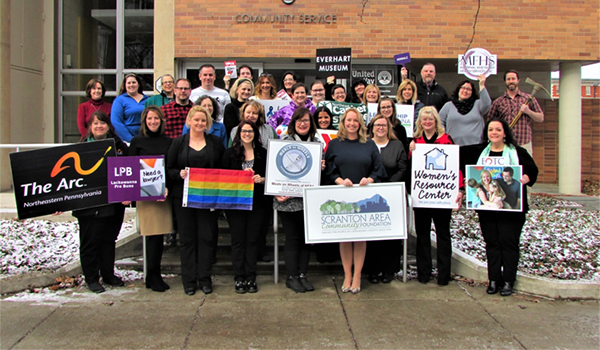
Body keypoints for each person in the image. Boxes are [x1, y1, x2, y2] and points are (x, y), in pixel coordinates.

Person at [461, 118, 538, 296]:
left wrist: (526, 178)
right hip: (488, 209)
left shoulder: (517, 153)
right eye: (490, 130)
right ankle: (494, 279)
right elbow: (467, 169)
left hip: (511, 208)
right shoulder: (480, 153)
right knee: (492, 243)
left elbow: (532, 171)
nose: (494, 133)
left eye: (498, 129)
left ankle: (508, 281)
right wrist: (468, 181)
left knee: (509, 243)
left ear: (505, 132)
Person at [325, 108, 386, 294]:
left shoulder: (369, 144)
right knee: (345, 237)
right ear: (343, 122)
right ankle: (347, 274)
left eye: (355, 120)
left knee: (360, 238)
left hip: (363, 196)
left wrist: (369, 180)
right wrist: (340, 181)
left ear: (360, 123)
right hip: (342, 195)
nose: (351, 123)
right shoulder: (335, 144)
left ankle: (358, 275)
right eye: (348, 120)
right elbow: (329, 169)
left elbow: (379, 168)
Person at [167, 106, 226, 295]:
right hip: (183, 199)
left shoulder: (215, 142)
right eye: (197, 120)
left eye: (203, 120)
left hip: (208, 198)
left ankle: (205, 278)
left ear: (208, 123)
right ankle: (189, 281)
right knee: (186, 239)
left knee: (207, 238)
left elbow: (223, 169)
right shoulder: (178, 143)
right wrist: (179, 174)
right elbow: (168, 169)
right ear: (189, 121)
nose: (200, 123)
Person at [73, 111, 128, 293]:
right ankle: (91, 278)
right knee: (91, 241)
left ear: (108, 125)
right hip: (90, 204)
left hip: (113, 203)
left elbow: (128, 169)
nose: (99, 126)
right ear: (90, 126)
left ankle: (108, 274)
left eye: (102, 123)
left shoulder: (118, 145)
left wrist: (128, 193)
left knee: (108, 239)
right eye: (95, 123)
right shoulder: (81, 148)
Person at [408, 106, 464, 286]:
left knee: (443, 234)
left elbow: (456, 167)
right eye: (424, 119)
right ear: (420, 122)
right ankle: (423, 273)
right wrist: (411, 152)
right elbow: (411, 169)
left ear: (436, 121)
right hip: (422, 195)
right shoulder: (415, 142)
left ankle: (444, 275)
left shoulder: (447, 140)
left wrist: (460, 189)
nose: (427, 122)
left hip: (442, 195)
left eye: (430, 119)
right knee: (422, 235)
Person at [276, 108, 324, 293]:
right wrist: (276, 192)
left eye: (306, 120)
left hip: (310, 199)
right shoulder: (284, 142)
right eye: (299, 121)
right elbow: (276, 169)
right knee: (293, 238)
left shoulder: (317, 144)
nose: (303, 123)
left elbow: (320, 174)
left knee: (307, 239)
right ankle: (291, 276)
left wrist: (321, 166)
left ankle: (302, 274)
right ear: (293, 123)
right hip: (288, 200)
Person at [129, 106, 173, 292]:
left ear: (161, 121)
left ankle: (155, 275)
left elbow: (171, 166)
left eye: (156, 118)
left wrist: (167, 188)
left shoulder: (168, 141)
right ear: (144, 121)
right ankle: (151, 276)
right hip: (145, 196)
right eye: (149, 119)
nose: (153, 121)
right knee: (151, 236)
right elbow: (130, 170)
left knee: (159, 235)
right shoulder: (137, 141)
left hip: (162, 195)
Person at [221, 120, 269, 294]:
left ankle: (251, 276)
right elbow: (223, 180)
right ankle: (239, 278)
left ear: (255, 134)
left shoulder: (263, 153)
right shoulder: (229, 154)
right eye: (244, 131)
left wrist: (261, 179)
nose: (247, 134)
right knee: (238, 241)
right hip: (235, 205)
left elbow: (270, 177)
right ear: (238, 133)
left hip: (258, 203)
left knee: (252, 240)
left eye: (250, 131)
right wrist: (240, 176)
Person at [364, 114, 407, 284]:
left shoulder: (397, 145)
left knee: (390, 235)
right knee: (372, 235)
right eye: (377, 125)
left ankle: (389, 270)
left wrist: (388, 186)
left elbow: (403, 168)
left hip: (391, 193)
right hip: (370, 194)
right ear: (372, 127)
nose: (380, 128)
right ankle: (372, 270)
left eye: (384, 125)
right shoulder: (365, 144)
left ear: (388, 128)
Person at [488, 69, 544, 155]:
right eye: (508, 79)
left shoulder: (528, 98)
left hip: (524, 143)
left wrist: (528, 112)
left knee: (525, 168)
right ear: (505, 81)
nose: (511, 81)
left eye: (513, 79)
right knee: (506, 168)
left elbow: (540, 118)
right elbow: (490, 122)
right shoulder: (498, 102)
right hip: (505, 144)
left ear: (518, 80)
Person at [439, 75, 491, 146]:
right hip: (453, 146)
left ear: (472, 92)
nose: (465, 91)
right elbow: (439, 122)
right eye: (463, 88)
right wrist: (443, 137)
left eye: (469, 89)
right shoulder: (448, 106)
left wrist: (481, 85)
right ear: (458, 90)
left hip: (476, 146)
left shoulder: (478, 104)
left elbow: (487, 104)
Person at [111, 73, 149, 142]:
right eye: (129, 83)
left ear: (138, 84)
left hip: (145, 138)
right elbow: (116, 122)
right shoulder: (119, 100)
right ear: (125, 85)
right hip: (126, 140)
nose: (131, 85)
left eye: (134, 82)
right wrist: (130, 139)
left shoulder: (147, 99)